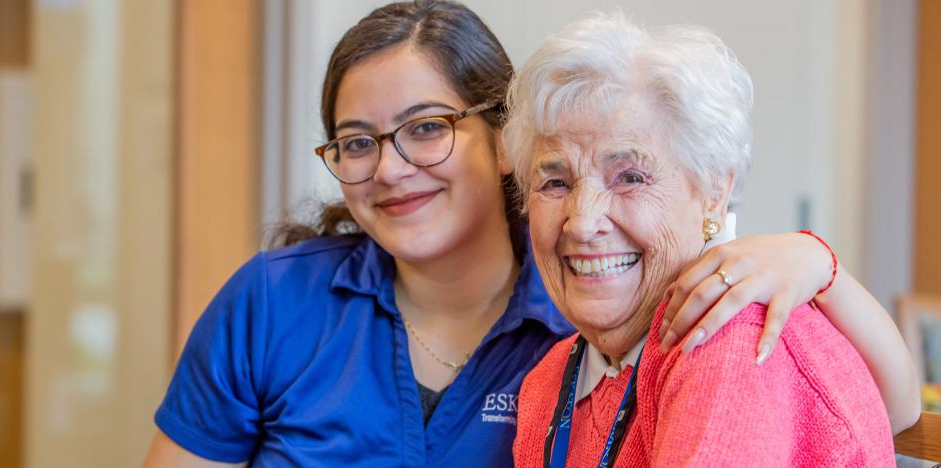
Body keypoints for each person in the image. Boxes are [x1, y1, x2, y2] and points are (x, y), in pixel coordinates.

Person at [143, 1, 918, 466]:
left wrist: (818, 263)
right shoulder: (279, 301)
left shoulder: (620, 308)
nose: (391, 169)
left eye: (427, 128)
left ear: (498, 141)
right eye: (356, 143)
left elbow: (889, 407)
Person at [506, 10, 914, 467]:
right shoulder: (549, 383)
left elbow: (899, 406)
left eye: (631, 177)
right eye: (555, 183)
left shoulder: (731, 334)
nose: (582, 222)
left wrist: (821, 260)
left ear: (714, 191)